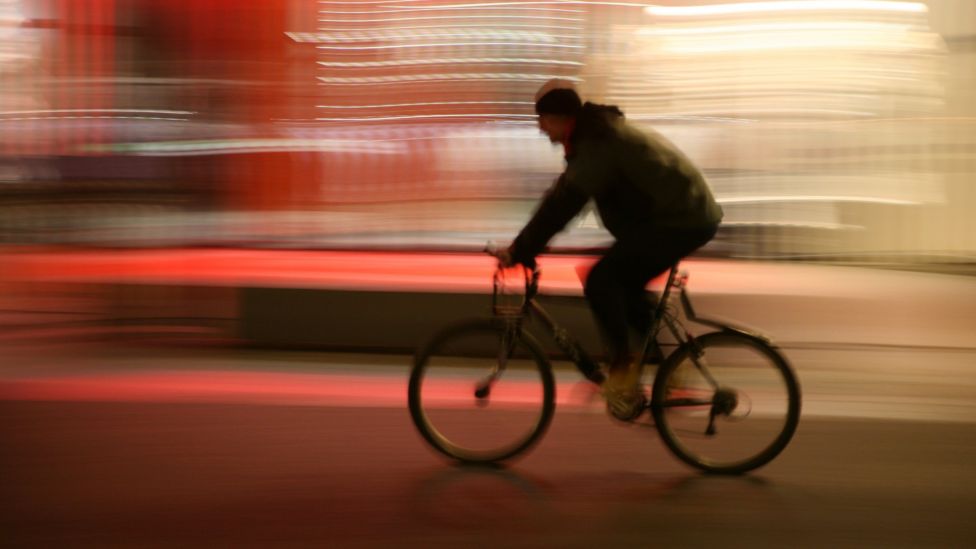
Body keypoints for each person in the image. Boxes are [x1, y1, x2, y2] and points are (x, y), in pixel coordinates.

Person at [496, 79, 723, 419]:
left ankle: (622, 372)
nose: (541, 129)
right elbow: (561, 195)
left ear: (560, 118)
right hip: (677, 215)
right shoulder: (592, 139)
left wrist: (522, 249)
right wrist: (524, 246)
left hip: (681, 218)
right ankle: (670, 369)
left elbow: (564, 206)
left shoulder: (598, 144)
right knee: (624, 283)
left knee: (603, 279)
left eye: (542, 120)